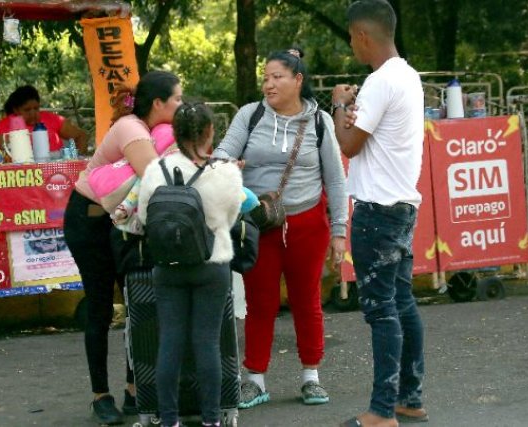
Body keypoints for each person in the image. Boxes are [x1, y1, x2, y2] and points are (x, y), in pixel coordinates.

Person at [213, 48, 348, 409]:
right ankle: (255, 380)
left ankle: (311, 377)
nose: (269, 83)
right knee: (260, 303)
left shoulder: (319, 121)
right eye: (266, 77)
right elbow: (220, 154)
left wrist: (339, 230)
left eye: (277, 77)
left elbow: (335, 180)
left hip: (307, 224)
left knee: (308, 301)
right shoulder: (250, 114)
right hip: (259, 224)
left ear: (298, 80)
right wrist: (228, 164)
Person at [63, 70, 182, 426]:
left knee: (137, 304)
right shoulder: (132, 128)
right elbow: (154, 175)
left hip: (123, 222)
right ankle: (101, 396)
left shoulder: (153, 131)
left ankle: (134, 390)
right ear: (158, 104)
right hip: (90, 223)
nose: (181, 105)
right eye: (177, 99)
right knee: (100, 308)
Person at [331, 1, 427, 426]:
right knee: (402, 303)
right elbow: (364, 134)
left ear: (363, 35)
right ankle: (410, 397)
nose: (352, 44)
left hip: (376, 211)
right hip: (402, 206)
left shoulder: (379, 82)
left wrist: (338, 106)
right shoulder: (408, 76)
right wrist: (353, 117)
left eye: (352, 37)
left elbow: (349, 145)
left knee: (381, 309)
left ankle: (382, 411)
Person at [137, 103, 243, 427]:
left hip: (168, 265)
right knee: (207, 342)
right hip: (212, 265)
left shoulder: (156, 169)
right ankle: (211, 419)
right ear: (210, 132)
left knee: (169, 340)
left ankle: (169, 420)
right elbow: (231, 218)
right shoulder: (226, 172)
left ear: (176, 133)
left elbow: (144, 218)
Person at [0, 84, 88, 155]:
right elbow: (0, 154)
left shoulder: (52, 119)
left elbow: (81, 136)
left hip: (55, 168)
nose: (33, 113)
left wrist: (77, 160)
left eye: (36, 108)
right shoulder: (5, 124)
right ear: (16, 110)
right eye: (27, 110)